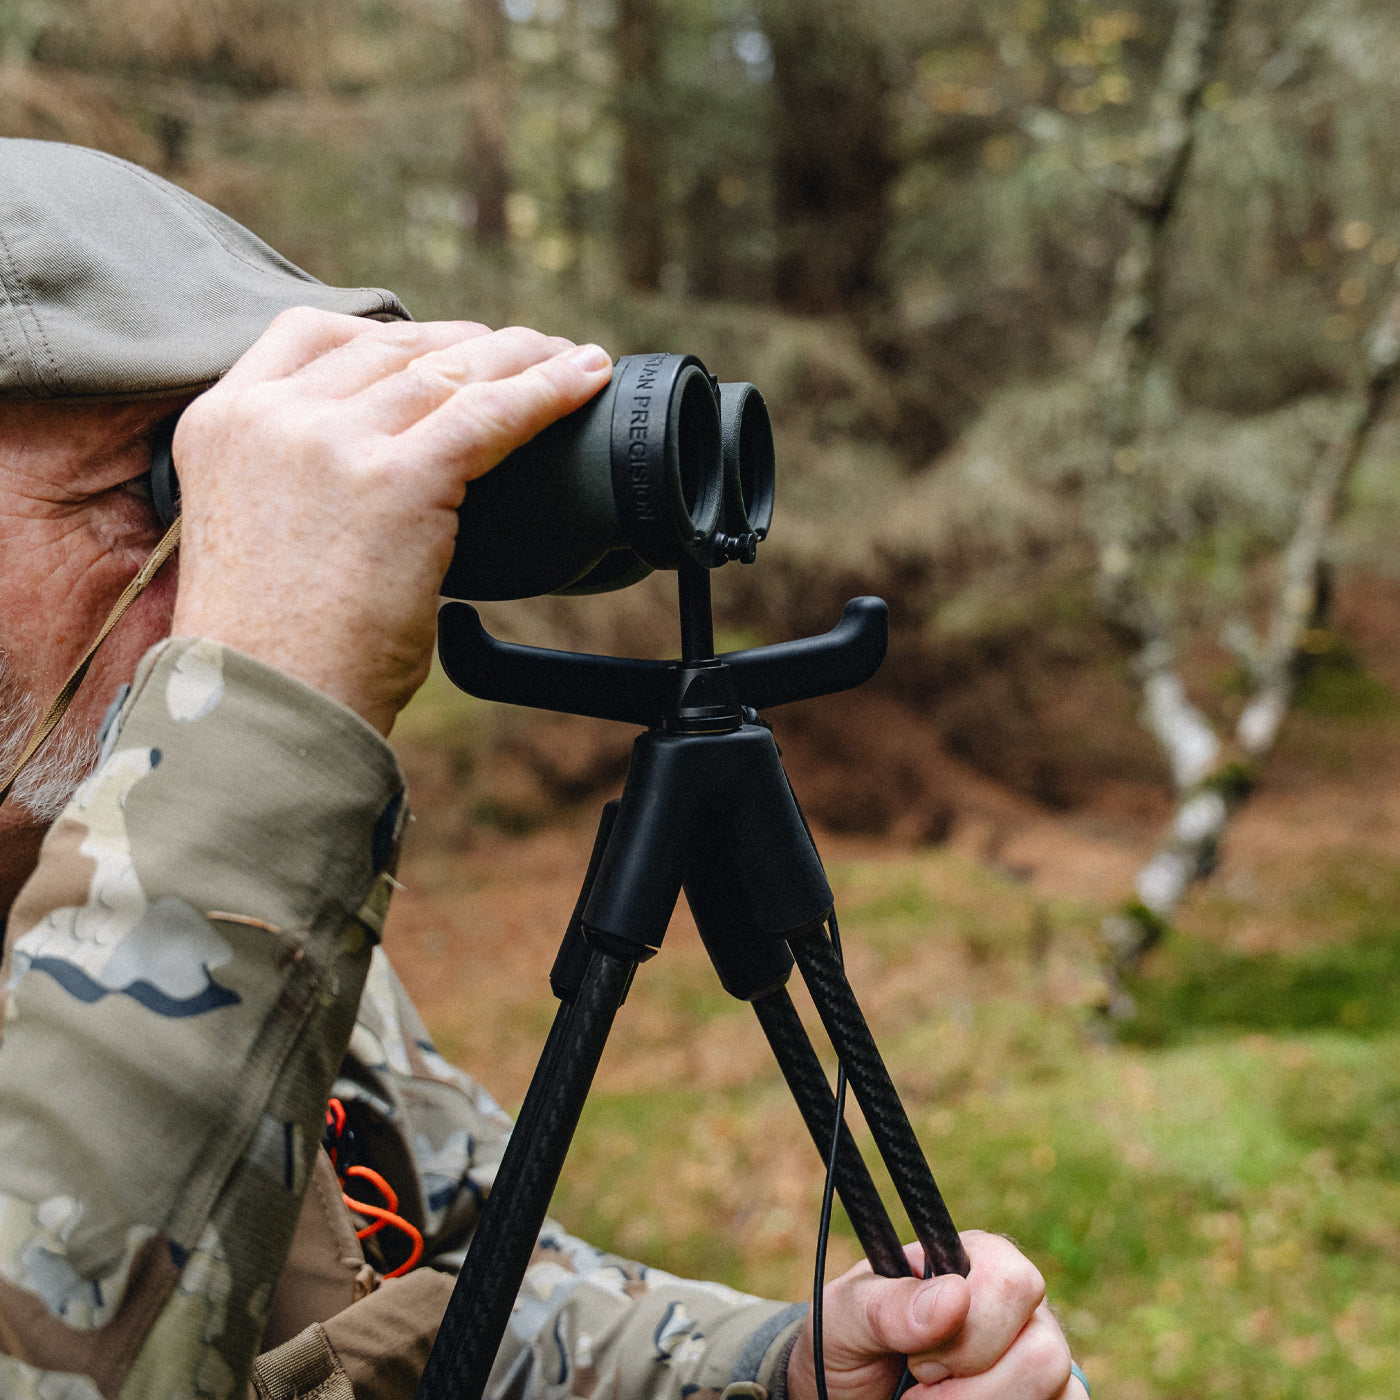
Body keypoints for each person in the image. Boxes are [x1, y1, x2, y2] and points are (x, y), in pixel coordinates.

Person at [0, 139, 1086, 1400]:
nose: (243, 561)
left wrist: (773, 1371)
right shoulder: (220, 830)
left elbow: (442, 1274)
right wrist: (254, 751)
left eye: (244, 479)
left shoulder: (166, 850)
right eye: (162, 488)